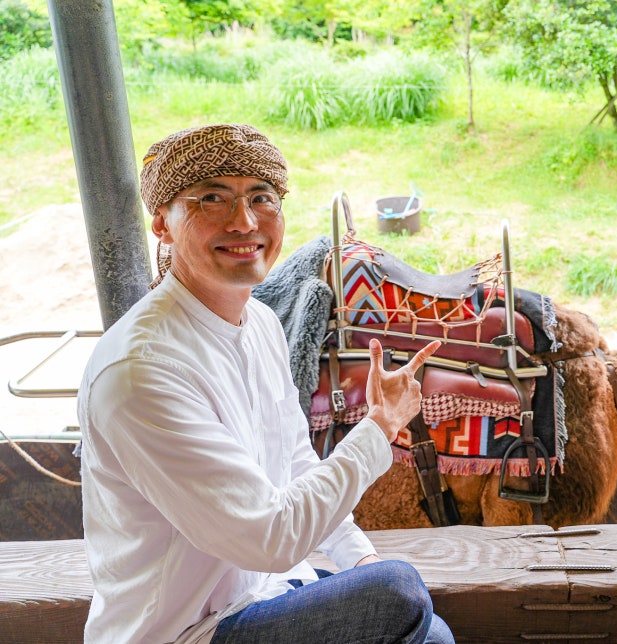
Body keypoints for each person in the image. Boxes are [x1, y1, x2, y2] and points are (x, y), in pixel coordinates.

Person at [77, 123, 454, 643]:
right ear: (162, 223)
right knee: (398, 592)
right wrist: (378, 428)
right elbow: (272, 539)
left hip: (261, 595)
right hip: (184, 632)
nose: (245, 221)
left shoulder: (260, 324)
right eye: (212, 199)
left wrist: (359, 559)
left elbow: (296, 461)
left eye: (262, 197)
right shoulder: (141, 371)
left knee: (424, 627)